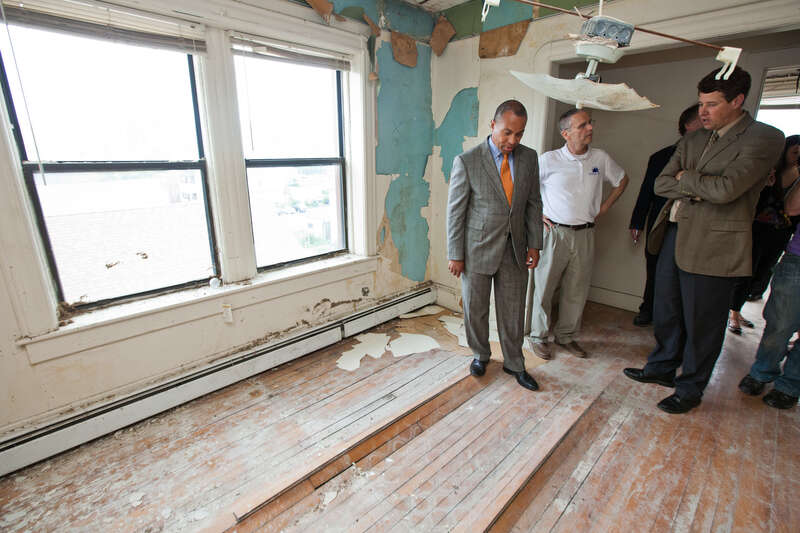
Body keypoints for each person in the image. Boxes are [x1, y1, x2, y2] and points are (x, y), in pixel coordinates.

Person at [624, 66, 785, 414]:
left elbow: (728, 190)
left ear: (738, 100)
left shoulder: (765, 138)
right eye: (701, 103)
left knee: (703, 324)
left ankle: (691, 388)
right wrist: (699, 184)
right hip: (673, 235)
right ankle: (662, 369)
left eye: (711, 104)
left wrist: (688, 178)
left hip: (716, 245)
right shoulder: (694, 138)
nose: (702, 112)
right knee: (666, 311)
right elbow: (661, 184)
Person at [446, 100, 543, 391]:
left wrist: (535, 244)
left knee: (513, 311)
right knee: (475, 309)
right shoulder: (467, 160)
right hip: (476, 249)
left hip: (515, 249)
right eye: (507, 133)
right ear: (493, 125)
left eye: (520, 134)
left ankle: (515, 363)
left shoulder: (529, 158)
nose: (513, 140)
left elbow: (534, 203)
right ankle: (480, 354)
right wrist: (455, 254)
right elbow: (455, 212)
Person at [528, 108, 628, 360]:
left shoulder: (600, 158)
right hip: (554, 233)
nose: (590, 129)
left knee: (577, 288)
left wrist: (605, 206)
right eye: (582, 125)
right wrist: (536, 213)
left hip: (585, 234)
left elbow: (622, 179)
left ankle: (566, 337)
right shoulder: (549, 159)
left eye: (590, 123)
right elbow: (526, 189)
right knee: (545, 287)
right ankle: (538, 336)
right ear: (566, 133)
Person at [629, 104, 702, 327]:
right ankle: (648, 308)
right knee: (655, 269)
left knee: (686, 276)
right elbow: (648, 191)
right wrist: (637, 221)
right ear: (689, 126)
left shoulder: (708, 160)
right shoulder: (661, 157)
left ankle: (674, 320)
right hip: (661, 222)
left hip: (695, 225)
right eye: (702, 122)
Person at [737, 179, 800, 409]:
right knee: (779, 324)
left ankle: (790, 385)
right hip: (799, 259)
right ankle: (762, 371)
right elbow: (792, 208)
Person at [728, 135, 800, 334]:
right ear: (785, 151)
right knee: (746, 272)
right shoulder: (771, 171)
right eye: (795, 152)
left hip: (781, 233)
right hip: (758, 229)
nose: (797, 157)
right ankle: (733, 313)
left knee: (763, 273)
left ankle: (738, 310)